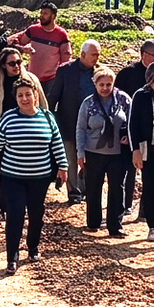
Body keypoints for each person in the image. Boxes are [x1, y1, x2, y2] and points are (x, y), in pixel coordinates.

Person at [0, 77, 69, 275]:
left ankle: (33, 247)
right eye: (20, 95)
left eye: (28, 94)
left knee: (36, 214)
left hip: (40, 177)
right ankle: (12, 257)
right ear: (16, 98)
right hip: (13, 177)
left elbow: (57, 145)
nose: (25, 98)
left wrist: (63, 167)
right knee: (15, 215)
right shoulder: (9, 118)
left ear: (36, 95)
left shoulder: (47, 117)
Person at [76, 67, 132, 238]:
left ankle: (115, 226)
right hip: (93, 152)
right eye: (101, 84)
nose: (105, 88)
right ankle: (93, 222)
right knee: (93, 188)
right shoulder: (88, 103)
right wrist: (80, 153)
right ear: (95, 83)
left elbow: (132, 123)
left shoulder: (123, 100)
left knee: (117, 189)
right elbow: (80, 128)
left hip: (118, 153)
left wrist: (129, 137)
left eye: (109, 84)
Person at [49, 39, 102, 205]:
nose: (96, 58)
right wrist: (50, 118)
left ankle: (87, 188)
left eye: (98, 55)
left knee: (90, 158)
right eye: (94, 55)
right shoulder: (66, 70)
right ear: (83, 54)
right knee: (70, 158)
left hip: (92, 125)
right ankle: (74, 192)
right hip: (69, 121)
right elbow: (54, 96)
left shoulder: (100, 72)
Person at [115, 39, 154, 220]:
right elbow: (117, 103)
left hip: (152, 135)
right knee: (128, 169)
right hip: (130, 131)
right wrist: (123, 131)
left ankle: (145, 213)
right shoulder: (128, 74)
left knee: (150, 176)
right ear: (143, 54)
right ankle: (124, 206)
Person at [128, 62, 154, 242]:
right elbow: (133, 125)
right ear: (148, 81)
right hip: (148, 147)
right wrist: (135, 150)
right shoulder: (141, 95)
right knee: (151, 186)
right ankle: (153, 225)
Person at [7, 0, 72, 101]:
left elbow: (66, 57)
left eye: (45, 13)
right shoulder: (33, 30)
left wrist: (63, 79)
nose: (41, 16)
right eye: (41, 13)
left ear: (53, 16)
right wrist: (23, 49)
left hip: (51, 80)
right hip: (32, 77)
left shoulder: (61, 34)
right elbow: (14, 41)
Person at [0, 48, 47, 143]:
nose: (16, 66)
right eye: (12, 64)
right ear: (3, 65)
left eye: (19, 62)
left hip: (29, 130)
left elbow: (43, 105)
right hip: (3, 133)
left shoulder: (31, 80)